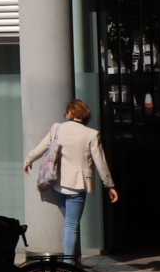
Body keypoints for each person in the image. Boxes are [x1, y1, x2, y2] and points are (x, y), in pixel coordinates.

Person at [24, 99, 118, 262]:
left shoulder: (57, 128)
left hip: (57, 184)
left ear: (70, 113)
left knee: (71, 224)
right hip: (77, 186)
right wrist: (109, 185)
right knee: (72, 225)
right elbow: (100, 163)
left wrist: (28, 160)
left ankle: (74, 260)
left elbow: (42, 147)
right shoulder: (91, 134)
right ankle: (68, 265)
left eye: (67, 111)